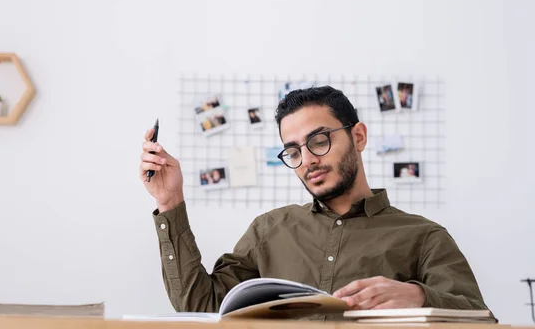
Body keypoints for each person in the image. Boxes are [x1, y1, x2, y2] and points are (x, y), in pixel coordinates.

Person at [139, 86, 489, 318]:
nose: (307, 160)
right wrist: (170, 202)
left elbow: (482, 319)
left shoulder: (423, 236)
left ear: (359, 136)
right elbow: (200, 306)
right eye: (293, 151)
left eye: (319, 140)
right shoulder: (269, 230)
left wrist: (418, 298)